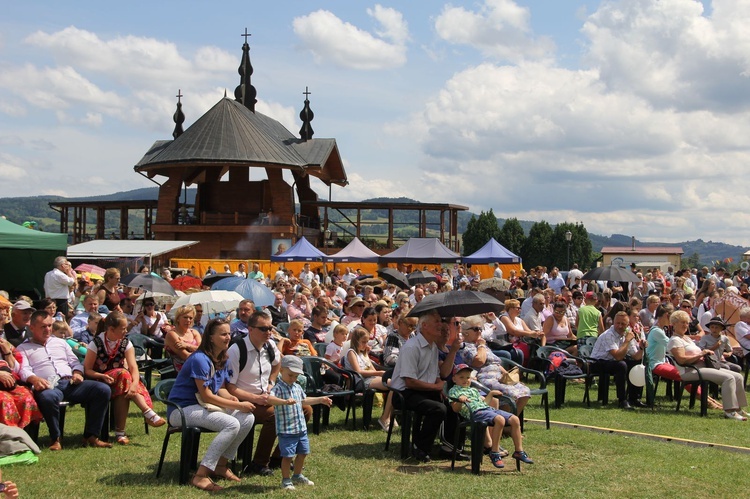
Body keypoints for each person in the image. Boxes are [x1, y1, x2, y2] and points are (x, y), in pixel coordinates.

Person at [167, 318, 256, 491]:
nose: (228, 337)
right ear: (210, 337)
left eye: (229, 333)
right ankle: (201, 475)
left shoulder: (222, 357)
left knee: (247, 418)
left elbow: (219, 388)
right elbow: (206, 395)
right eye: (223, 334)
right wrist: (239, 406)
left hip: (202, 407)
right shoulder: (200, 359)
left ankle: (221, 465)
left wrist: (231, 399)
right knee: (231, 424)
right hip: (181, 410)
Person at [17, 310, 112, 450]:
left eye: (50, 325)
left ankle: (91, 436)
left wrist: (78, 373)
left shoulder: (60, 343)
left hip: (70, 383)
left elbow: (75, 362)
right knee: (48, 397)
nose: (48, 329)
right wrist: (34, 379)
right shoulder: (23, 348)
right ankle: (55, 437)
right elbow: (23, 370)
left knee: (102, 390)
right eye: (43, 326)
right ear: (32, 328)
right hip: (48, 385)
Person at [83, 312, 165, 445]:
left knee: (124, 383)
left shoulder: (126, 343)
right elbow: (87, 370)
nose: (126, 331)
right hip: (99, 381)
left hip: (120, 382)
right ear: (111, 329)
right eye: (123, 329)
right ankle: (147, 413)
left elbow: (133, 368)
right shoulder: (96, 343)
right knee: (123, 374)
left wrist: (133, 386)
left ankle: (120, 433)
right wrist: (101, 376)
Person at [390, 310, 454, 463]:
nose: (441, 325)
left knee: (454, 404)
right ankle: (421, 448)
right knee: (438, 409)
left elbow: (433, 374)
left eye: (440, 321)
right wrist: (436, 388)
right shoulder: (412, 347)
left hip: (422, 390)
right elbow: (409, 381)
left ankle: (449, 448)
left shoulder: (432, 346)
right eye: (437, 322)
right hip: (404, 393)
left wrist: (439, 385)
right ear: (424, 326)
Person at [224, 311, 282, 477]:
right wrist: (256, 398)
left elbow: (277, 364)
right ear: (250, 329)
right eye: (263, 329)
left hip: (266, 397)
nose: (268, 332)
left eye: (270, 328)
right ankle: (258, 463)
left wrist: (271, 382)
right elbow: (230, 387)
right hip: (244, 402)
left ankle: (278, 457)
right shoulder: (236, 350)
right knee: (275, 415)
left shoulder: (270, 345)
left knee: (305, 410)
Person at [667, 310, 748, 420]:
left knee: (738, 377)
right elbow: (681, 360)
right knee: (728, 378)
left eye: (686, 322)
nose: (685, 325)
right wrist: (701, 353)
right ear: (674, 324)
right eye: (682, 322)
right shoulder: (675, 340)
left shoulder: (686, 338)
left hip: (703, 366)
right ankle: (729, 411)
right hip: (690, 370)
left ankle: (738, 409)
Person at [449, 364, 533, 468]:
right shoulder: (454, 391)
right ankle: (494, 452)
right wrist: (460, 400)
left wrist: (491, 394)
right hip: (475, 413)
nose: (465, 380)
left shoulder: (473, 390)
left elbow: (485, 403)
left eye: (468, 377)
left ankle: (519, 451)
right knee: (500, 420)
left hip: (486, 409)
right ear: (454, 379)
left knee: (515, 419)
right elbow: (455, 409)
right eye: (461, 377)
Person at [269, 355, 332, 490]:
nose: (293, 379)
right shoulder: (278, 388)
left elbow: (304, 401)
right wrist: (284, 402)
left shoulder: (297, 387)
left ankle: (297, 475)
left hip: (301, 429)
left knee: (303, 452)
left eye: (296, 376)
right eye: (290, 375)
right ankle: (286, 480)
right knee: (287, 456)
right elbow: (270, 399)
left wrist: (320, 400)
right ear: (281, 371)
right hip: (287, 430)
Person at [458, 316, 531, 414]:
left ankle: (509, 423)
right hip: (484, 380)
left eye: (480, 329)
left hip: (498, 378)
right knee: (512, 392)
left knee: (525, 391)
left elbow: (495, 362)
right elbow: (479, 361)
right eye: (476, 329)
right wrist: (481, 345)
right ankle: (505, 422)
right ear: (465, 332)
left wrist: (507, 375)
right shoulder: (466, 347)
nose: (479, 331)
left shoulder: (481, 345)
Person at [589, 311, 645, 410]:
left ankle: (634, 398)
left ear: (627, 325)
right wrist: (626, 341)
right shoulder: (608, 335)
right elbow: (618, 356)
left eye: (623, 324)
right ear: (613, 323)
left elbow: (636, 357)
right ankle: (622, 400)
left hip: (612, 361)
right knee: (621, 365)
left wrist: (641, 348)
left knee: (636, 365)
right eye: (617, 323)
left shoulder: (627, 333)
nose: (619, 326)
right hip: (596, 362)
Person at [342, 327, 393, 431]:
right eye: (363, 342)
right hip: (359, 381)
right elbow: (358, 372)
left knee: (395, 384)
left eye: (367, 342)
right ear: (356, 341)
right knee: (393, 384)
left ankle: (388, 415)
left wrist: (379, 374)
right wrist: (379, 373)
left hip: (369, 379)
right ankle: (385, 418)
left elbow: (372, 368)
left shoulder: (364, 353)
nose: (366, 344)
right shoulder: (351, 352)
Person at [0, 334, 42, 429]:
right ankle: (8, 436)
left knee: (25, 397)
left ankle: (25, 435)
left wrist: (7, 353)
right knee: (5, 400)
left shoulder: (4, 343)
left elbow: (17, 370)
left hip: (9, 384)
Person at [164, 305, 202, 372]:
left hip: (198, 366)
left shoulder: (194, 332)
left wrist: (187, 345)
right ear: (178, 318)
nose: (188, 320)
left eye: (190, 318)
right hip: (183, 371)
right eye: (185, 317)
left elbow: (204, 349)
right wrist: (199, 350)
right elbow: (186, 356)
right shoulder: (172, 334)